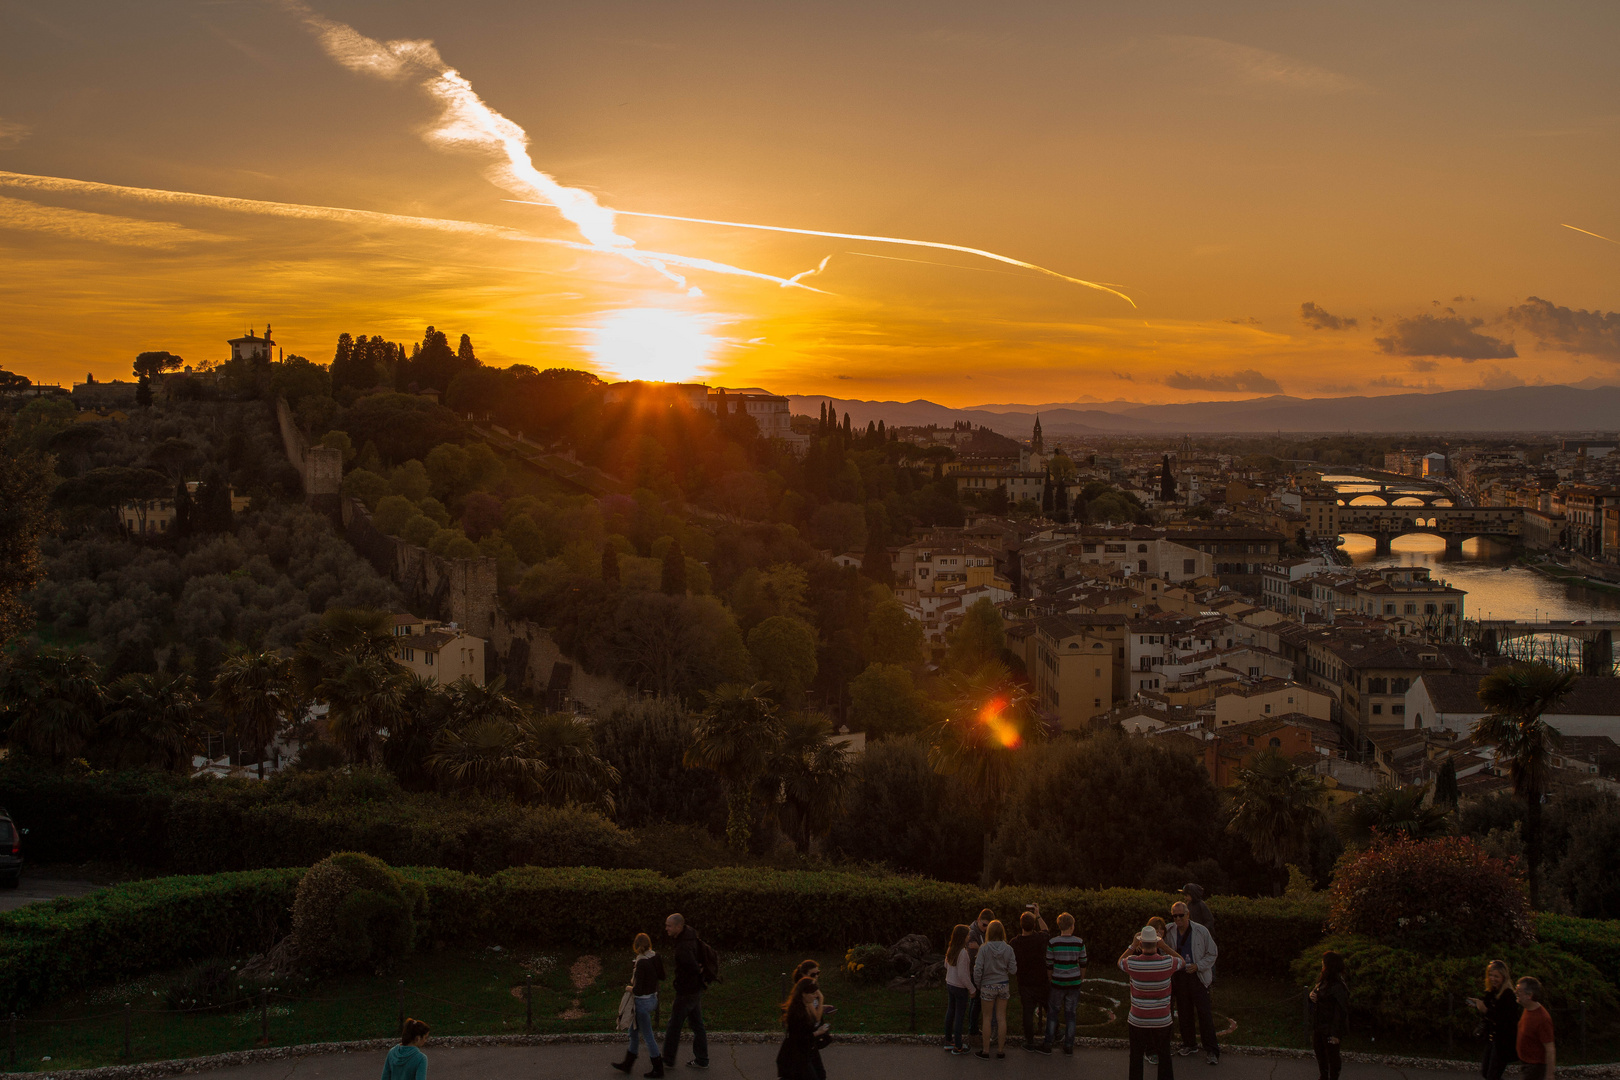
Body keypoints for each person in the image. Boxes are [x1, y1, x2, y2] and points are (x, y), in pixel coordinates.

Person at [1119, 924, 1184, 1080]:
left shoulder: (1132, 963)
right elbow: (1181, 961)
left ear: (1141, 944)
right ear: (1156, 943)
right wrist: (1165, 946)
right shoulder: (1168, 963)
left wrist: (1132, 945)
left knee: (1136, 1056)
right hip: (1162, 1019)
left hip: (1138, 1019)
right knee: (1164, 1056)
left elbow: (1120, 961)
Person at [1165, 901, 1221, 1064]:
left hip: (1197, 976)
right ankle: (1189, 1043)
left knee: (1204, 1013)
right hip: (1179, 976)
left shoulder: (1201, 931)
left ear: (1188, 914)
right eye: (1174, 916)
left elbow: (1212, 953)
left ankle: (1212, 1050)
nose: (1178, 919)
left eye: (1181, 915)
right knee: (1184, 1012)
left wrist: (1198, 966)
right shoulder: (1169, 930)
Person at [613, 933, 667, 1078]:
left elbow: (637, 990)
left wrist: (627, 987)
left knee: (648, 1036)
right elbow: (662, 976)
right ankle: (627, 1064)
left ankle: (657, 1068)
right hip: (653, 999)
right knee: (633, 1031)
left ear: (636, 947)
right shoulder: (655, 956)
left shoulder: (641, 962)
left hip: (642, 1003)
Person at [661, 913, 709, 1070]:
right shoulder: (691, 937)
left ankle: (668, 1058)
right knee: (697, 1024)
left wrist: (692, 972)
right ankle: (702, 1059)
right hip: (695, 989)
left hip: (686, 991)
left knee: (674, 1024)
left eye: (669, 925)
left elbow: (690, 965)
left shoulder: (683, 945)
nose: (666, 928)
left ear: (678, 926)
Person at [1045, 912, 1089, 1056]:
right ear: (1072, 926)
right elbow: (1083, 962)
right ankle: (1069, 1045)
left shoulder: (1053, 943)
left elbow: (1049, 963)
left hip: (1057, 981)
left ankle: (1048, 1042)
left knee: (1053, 1013)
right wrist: (1081, 977)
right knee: (1071, 1014)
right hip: (1074, 982)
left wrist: (1051, 978)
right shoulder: (1079, 942)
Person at [1468, 960, 1520, 1080]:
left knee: (1493, 1075)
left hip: (1504, 1041)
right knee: (1486, 1072)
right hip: (1493, 1038)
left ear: (1503, 977)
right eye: (1490, 975)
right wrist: (1478, 1004)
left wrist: (1485, 1010)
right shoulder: (1492, 992)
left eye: (1496, 976)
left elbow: (1504, 1019)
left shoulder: (1508, 995)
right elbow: (1488, 1008)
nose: (1493, 979)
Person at [973, 919, 1017, 1059]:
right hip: (1003, 984)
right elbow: (1013, 969)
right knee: (1001, 1018)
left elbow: (978, 969)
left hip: (987, 985)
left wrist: (978, 984)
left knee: (987, 1018)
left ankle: (985, 1050)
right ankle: (1000, 1050)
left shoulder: (984, 949)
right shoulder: (1008, 949)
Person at [1012, 911, 1053, 1054]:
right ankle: (1054, 1033)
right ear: (1034, 925)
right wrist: (1039, 914)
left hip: (1024, 982)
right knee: (1049, 1008)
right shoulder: (1040, 938)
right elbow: (1046, 930)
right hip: (1041, 980)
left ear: (1021, 925)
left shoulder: (1015, 943)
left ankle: (1029, 1041)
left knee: (1027, 1012)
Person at [776, 975, 832, 1080]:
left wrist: (821, 1000)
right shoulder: (796, 1012)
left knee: (820, 1075)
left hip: (807, 1050)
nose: (815, 996)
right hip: (796, 1055)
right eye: (812, 993)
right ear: (803, 994)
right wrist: (818, 1032)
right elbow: (799, 1038)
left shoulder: (807, 1006)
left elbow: (816, 1019)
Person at [1308, 951, 1349, 1080]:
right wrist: (1311, 996)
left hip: (1330, 1029)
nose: (1322, 964)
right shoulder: (1324, 982)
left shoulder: (1338, 986)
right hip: (1319, 1026)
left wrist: (1336, 1034)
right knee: (1320, 1055)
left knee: (1332, 1058)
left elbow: (1340, 1011)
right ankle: (1323, 1077)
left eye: (1324, 963)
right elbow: (1316, 997)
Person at [943, 924, 976, 1055]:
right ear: (963, 937)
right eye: (968, 935)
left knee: (950, 1011)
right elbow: (963, 975)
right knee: (959, 1016)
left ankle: (948, 1040)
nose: (969, 937)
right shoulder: (963, 953)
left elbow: (946, 964)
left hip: (949, 983)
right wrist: (972, 989)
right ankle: (958, 1045)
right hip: (959, 987)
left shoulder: (951, 948)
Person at [1515, 977, 1555, 1080]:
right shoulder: (1527, 1009)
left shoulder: (1542, 1018)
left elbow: (1550, 1048)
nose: (1516, 992)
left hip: (1535, 1068)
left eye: (1519, 991)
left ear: (1529, 995)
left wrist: (1549, 1075)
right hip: (1526, 1064)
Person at [966, 908, 993, 1038]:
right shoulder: (972, 934)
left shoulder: (984, 933)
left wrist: (980, 948)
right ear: (978, 920)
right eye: (984, 925)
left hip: (983, 971)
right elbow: (973, 957)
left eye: (989, 926)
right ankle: (973, 1028)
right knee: (976, 1001)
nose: (986, 928)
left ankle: (973, 1026)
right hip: (974, 971)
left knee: (977, 1002)